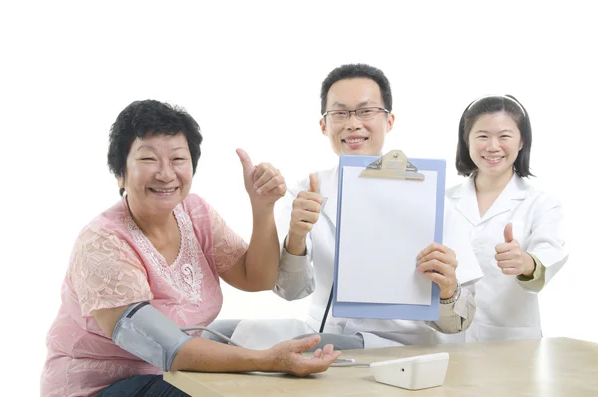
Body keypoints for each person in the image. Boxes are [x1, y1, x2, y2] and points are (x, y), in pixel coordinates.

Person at [40, 99, 341, 397]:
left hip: (173, 374)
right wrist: (268, 360)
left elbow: (257, 278)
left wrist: (262, 207)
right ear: (120, 173)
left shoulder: (195, 214)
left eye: (177, 160)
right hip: (99, 387)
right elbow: (168, 349)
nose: (166, 173)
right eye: (148, 160)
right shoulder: (102, 242)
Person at [208, 63, 478, 350]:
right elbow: (289, 291)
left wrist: (448, 291)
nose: (352, 123)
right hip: (320, 335)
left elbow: (459, 322)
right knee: (210, 334)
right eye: (340, 113)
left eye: (365, 111)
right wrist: (296, 237)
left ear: (389, 121)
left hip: (399, 345)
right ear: (324, 125)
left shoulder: (432, 197)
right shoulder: (306, 191)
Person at [444, 94, 568, 341]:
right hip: (448, 336)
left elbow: (550, 252)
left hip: (510, 340)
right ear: (466, 141)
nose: (492, 146)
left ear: (522, 141)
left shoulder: (541, 203)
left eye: (504, 136)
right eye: (482, 136)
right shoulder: (443, 201)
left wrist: (526, 263)